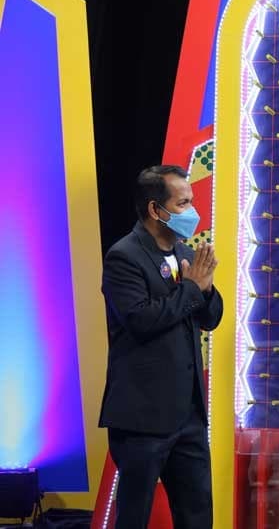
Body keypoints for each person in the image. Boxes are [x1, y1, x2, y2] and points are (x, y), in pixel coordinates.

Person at [98, 165, 223, 529]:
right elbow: (141, 319)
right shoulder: (124, 256)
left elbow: (210, 318)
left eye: (192, 201)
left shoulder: (185, 251)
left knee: (197, 515)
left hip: (189, 418)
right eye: (183, 203)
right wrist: (192, 288)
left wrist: (206, 290)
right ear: (156, 209)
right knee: (134, 517)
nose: (192, 211)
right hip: (143, 417)